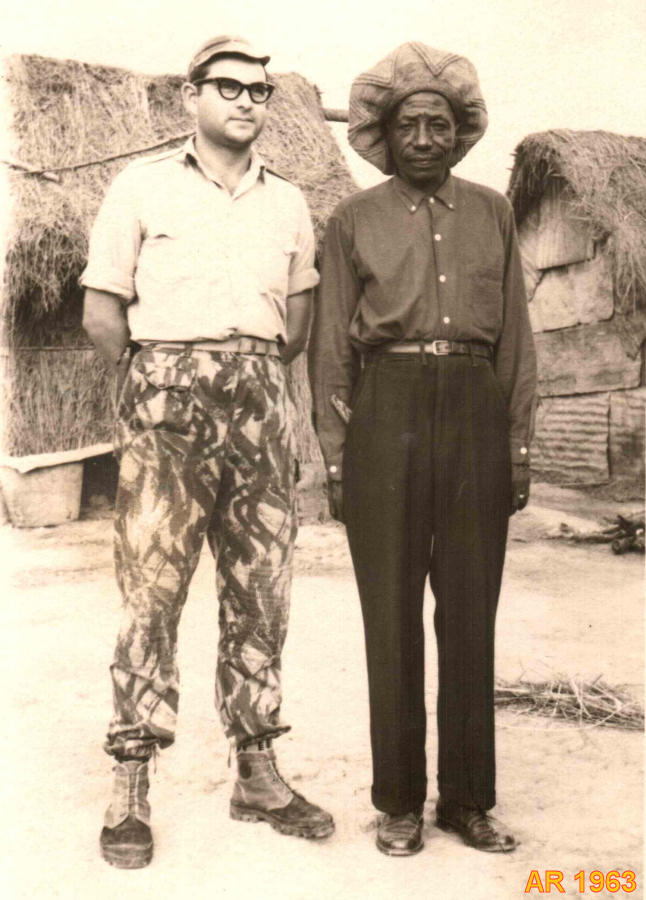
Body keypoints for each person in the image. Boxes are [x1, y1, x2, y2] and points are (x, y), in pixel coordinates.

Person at [81, 34, 334, 869]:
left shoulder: (288, 202)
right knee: (151, 591)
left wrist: (245, 377)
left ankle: (257, 770)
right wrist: (159, 385)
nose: (246, 102)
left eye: (259, 91)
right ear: (191, 95)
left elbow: (298, 321)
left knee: (261, 590)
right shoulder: (141, 184)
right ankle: (131, 777)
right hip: (166, 399)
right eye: (229, 87)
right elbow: (102, 310)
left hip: (261, 397)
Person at [309, 42, 536, 857]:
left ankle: (467, 800)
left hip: (474, 408)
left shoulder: (493, 214)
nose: (426, 138)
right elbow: (330, 349)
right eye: (410, 124)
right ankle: (399, 801)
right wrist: (339, 456)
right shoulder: (351, 220)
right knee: (392, 612)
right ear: (384, 132)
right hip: (387, 410)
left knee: (470, 611)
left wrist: (517, 444)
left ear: (460, 132)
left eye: (440, 124)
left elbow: (515, 341)